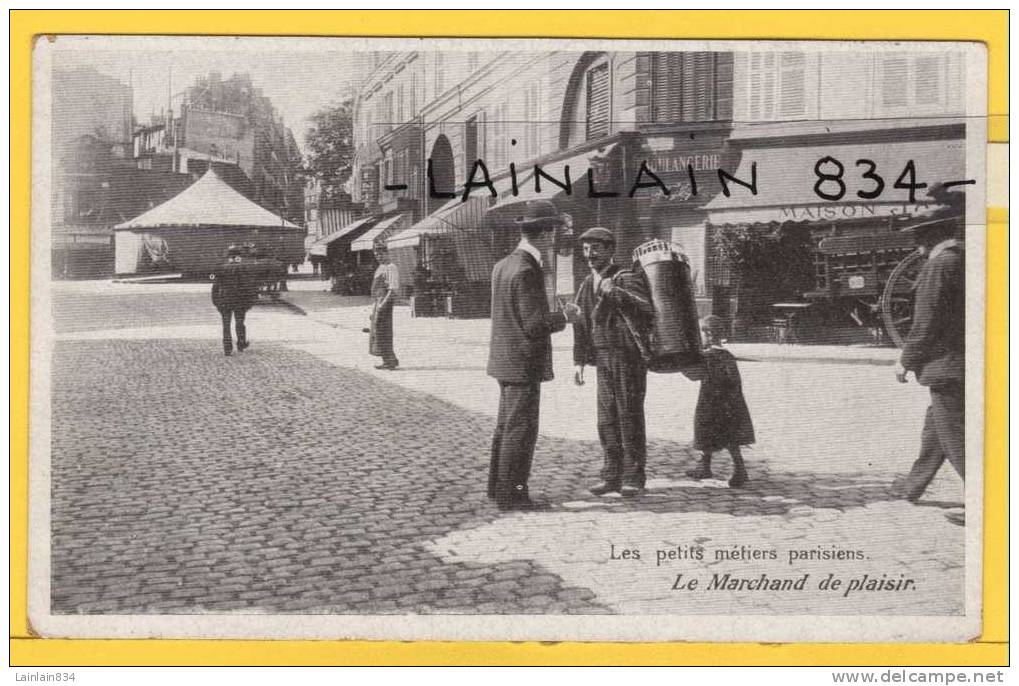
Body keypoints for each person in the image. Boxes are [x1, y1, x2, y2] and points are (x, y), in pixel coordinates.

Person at [487, 200, 581, 511]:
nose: (554, 236)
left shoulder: (503, 265)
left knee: (506, 426)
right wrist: (566, 317)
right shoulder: (528, 269)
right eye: (553, 230)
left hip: (504, 360)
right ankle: (513, 494)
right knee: (521, 428)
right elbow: (534, 324)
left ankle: (497, 488)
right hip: (523, 362)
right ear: (544, 233)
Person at [571, 227, 655, 497]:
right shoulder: (587, 283)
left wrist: (614, 292)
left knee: (628, 414)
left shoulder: (626, 276)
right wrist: (579, 361)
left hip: (627, 355)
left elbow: (646, 308)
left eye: (595, 248)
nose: (590, 254)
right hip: (603, 357)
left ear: (610, 250)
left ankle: (634, 476)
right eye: (586, 249)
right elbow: (581, 324)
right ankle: (611, 475)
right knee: (606, 417)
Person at [893, 207, 965, 509]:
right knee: (936, 430)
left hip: (947, 365)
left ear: (933, 234)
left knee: (958, 440)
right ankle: (913, 486)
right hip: (958, 363)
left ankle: (991, 501)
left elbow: (926, 321)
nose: (915, 243)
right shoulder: (959, 260)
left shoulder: (939, 265)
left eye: (918, 235)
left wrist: (905, 359)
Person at [685, 315, 755, 488]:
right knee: (727, 436)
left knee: (709, 431)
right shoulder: (727, 355)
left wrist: (682, 364)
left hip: (712, 402)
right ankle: (707, 467)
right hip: (730, 403)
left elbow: (694, 376)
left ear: (708, 334)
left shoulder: (708, 356)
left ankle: (739, 471)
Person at [210, 244, 258, 356]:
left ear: (228, 255)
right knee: (240, 322)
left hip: (224, 300)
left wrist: (216, 301)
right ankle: (241, 343)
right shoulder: (244, 267)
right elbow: (249, 286)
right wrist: (250, 301)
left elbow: (215, 285)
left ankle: (227, 348)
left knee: (226, 325)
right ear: (239, 255)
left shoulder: (220, 266)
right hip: (240, 300)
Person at [369, 245, 401, 370]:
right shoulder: (381, 268)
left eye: (381, 254)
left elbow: (393, 289)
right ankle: (387, 359)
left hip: (385, 302)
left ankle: (390, 360)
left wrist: (383, 304)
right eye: (376, 255)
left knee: (384, 331)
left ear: (387, 253)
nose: (378, 257)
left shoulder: (391, 268)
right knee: (377, 330)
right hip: (379, 301)